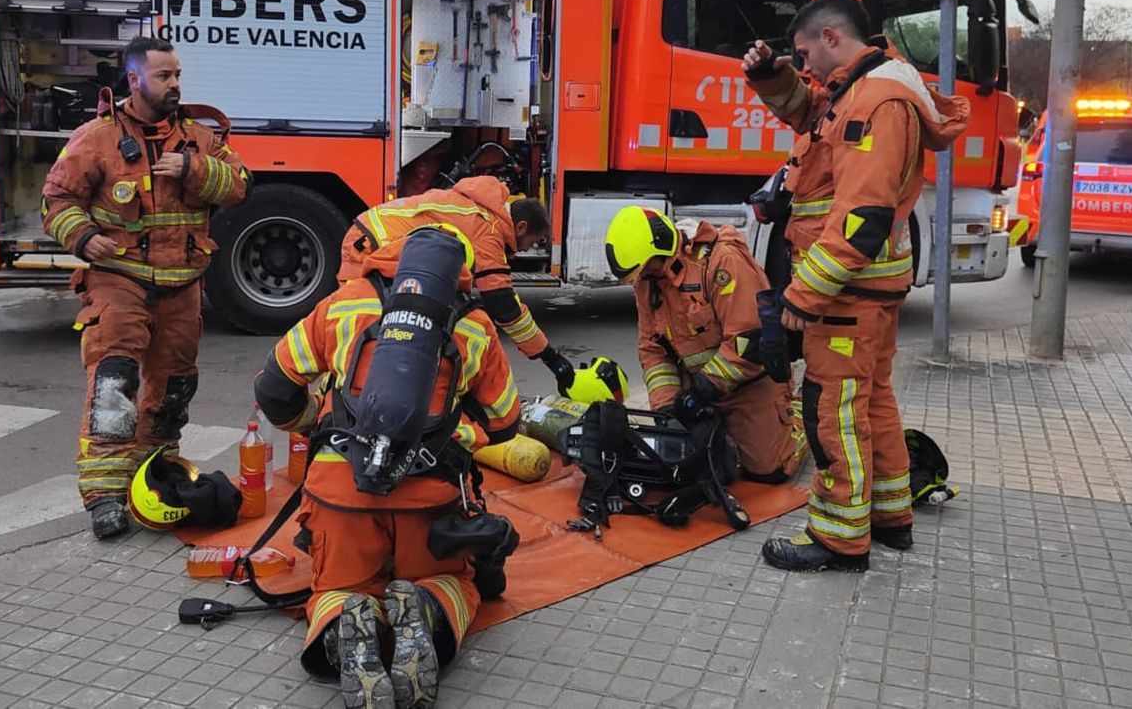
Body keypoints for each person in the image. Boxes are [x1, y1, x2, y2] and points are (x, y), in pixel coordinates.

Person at [741, 0, 966, 572]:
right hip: (865, 291)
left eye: (804, 52)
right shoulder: (857, 90)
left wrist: (802, 293)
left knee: (831, 409)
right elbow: (809, 114)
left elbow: (862, 219)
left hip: (846, 292)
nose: (806, 66)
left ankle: (840, 538)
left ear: (832, 38)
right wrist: (771, 74)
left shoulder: (875, 103)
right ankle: (891, 517)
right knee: (873, 401)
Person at [255, 226, 521, 709]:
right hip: (432, 502)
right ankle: (427, 607)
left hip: (341, 496)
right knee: (453, 582)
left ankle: (347, 621)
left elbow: (273, 388)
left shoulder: (343, 303)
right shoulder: (475, 323)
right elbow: (506, 422)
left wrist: (315, 426)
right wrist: (460, 428)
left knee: (337, 588)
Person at [41, 36, 249, 539]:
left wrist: (192, 168)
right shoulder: (97, 138)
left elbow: (240, 186)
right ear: (134, 80)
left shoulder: (199, 140)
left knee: (175, 385)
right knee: (116, 380)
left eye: (178, 75)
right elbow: (57, 199)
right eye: (164, 76)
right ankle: (105, 496)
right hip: (119, 279)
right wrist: (83, 236)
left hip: (183, 284)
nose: (175, 84)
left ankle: (150, 473)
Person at [603, 205, 807, 482]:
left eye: (644, 269)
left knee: (768, 469)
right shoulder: (648, 280)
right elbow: (653, 351)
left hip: (747, 381)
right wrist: (666, 409)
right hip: (697, 387)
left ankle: (797, 414)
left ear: (660, 249)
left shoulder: (721, 261)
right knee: (686, 464)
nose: (641, 278)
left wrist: (704, 389)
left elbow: (748, 342)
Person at [341, 176, 579, 392]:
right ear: (521, 227)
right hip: (370, 245)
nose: (528, 248)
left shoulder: (479, 210)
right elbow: (504, 306)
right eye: (532, 241)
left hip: (370, 235)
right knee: (358, 337)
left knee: (377, 334)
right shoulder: (489, 229)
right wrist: (550, 356)